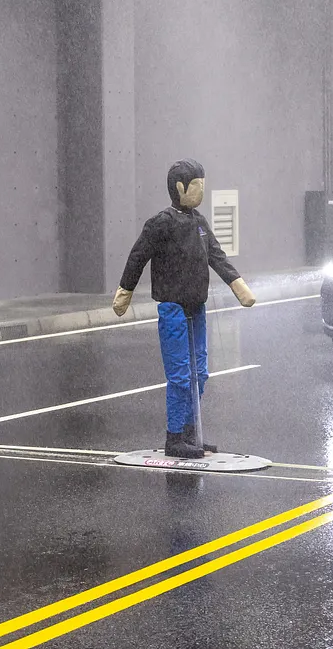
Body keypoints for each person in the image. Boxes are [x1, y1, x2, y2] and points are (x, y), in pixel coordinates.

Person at [112, 159, 256, 459]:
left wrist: (237, 285)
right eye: (196, 185)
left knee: (199, 373)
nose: (201, 190)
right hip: (173, 308)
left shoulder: (200, 223)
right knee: (180, 376)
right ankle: (175, 437)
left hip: (197, 307)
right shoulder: (161, 223)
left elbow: (216, 256)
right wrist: (125, 291)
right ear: (180, 187)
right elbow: (138, 256)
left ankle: (192, 432)